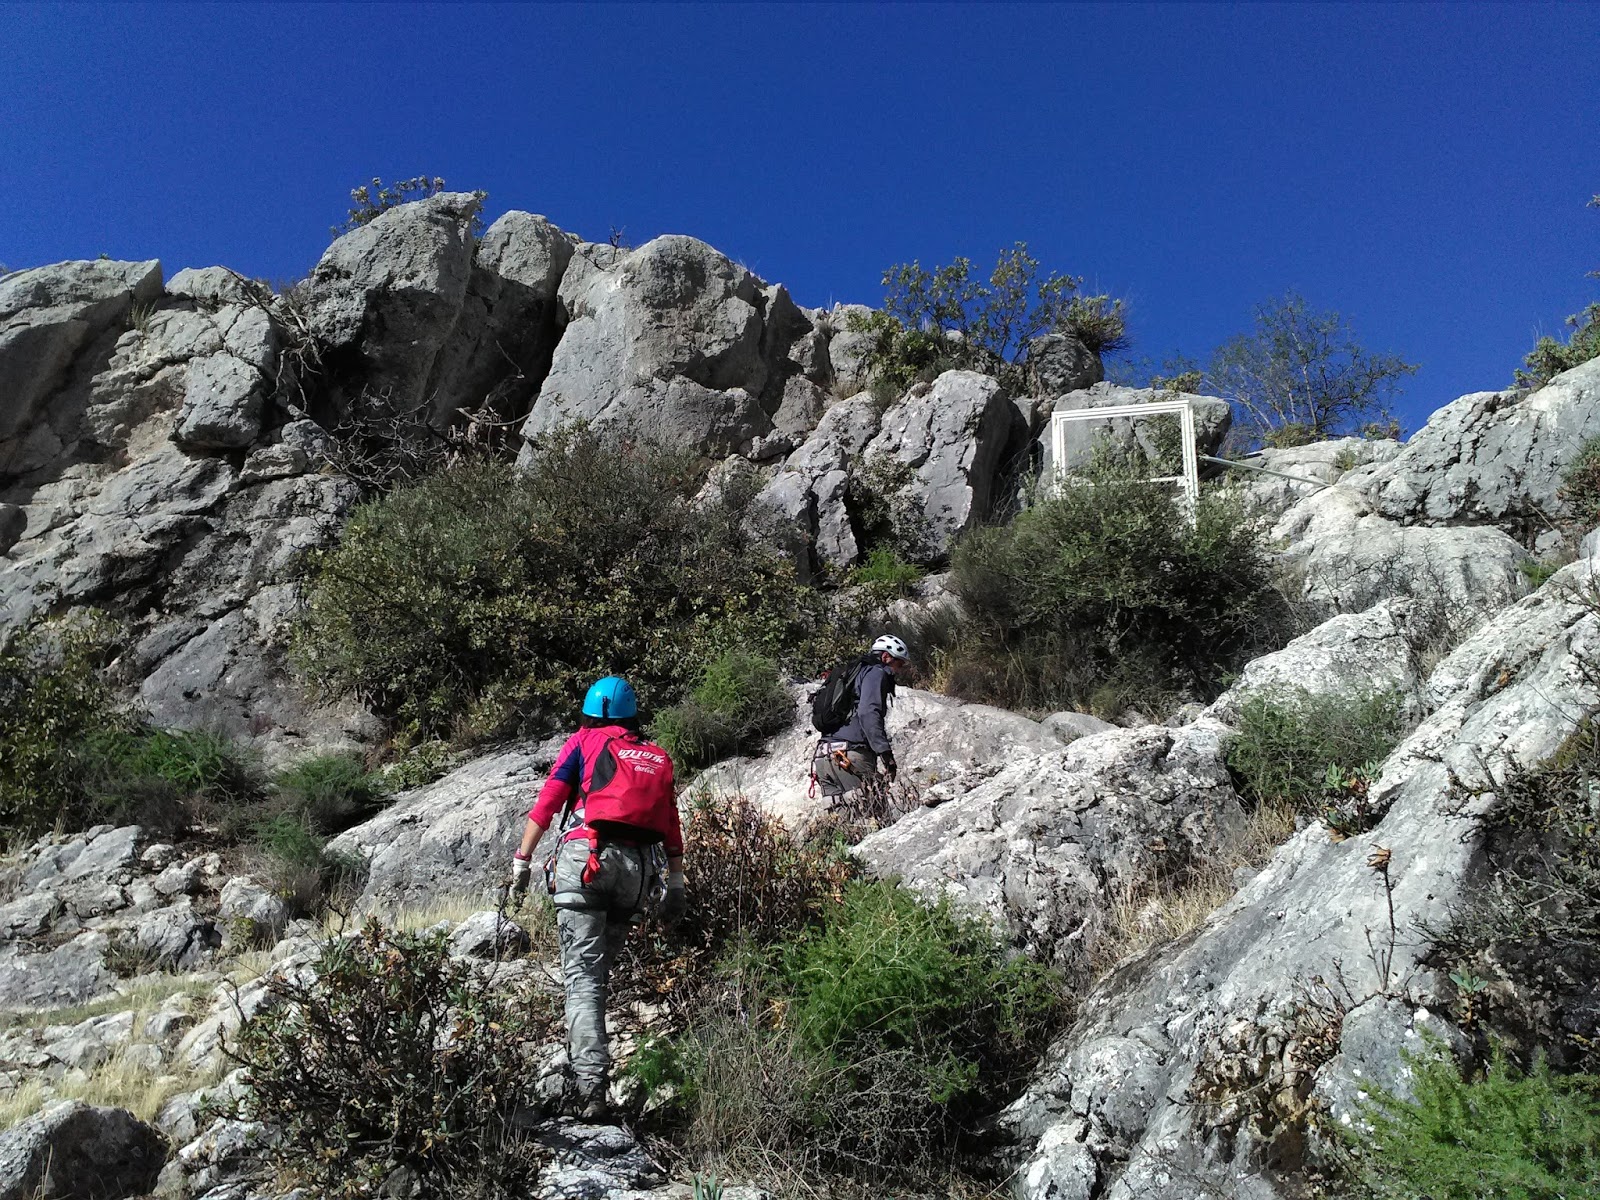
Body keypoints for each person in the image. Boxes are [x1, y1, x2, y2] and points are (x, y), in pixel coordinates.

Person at [507, 675, 685, 1119]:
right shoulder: (652, 755)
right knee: (597, 976)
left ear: (590, 710)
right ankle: (590, 1069)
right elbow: (671, 823)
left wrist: (522, 860)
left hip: (587, 858)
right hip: (637, 873)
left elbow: (550, 798)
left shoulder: (583, 741)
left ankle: (590, 1090)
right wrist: (677, 885)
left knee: (582, 977)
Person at [812, 634, 910, 798]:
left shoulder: (851, 674)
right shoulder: (875, 672)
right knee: (872, 817)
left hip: (823, 758)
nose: (898, 670)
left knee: (840, 821)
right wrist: (885, 754)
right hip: (850, 758)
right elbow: (868, 712)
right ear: (886, 657)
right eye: (898, 663)